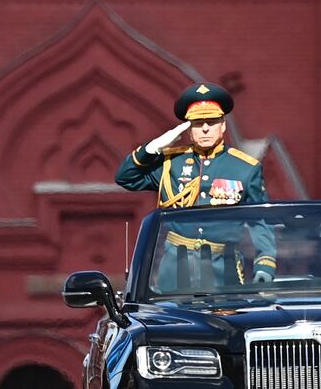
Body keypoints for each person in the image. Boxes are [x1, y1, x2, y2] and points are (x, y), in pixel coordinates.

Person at [116, 82, 277, 288]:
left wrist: (264, 264)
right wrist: (152, 148)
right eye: (198, 123)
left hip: (222, 265)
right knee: (171, 317)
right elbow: (126, 178)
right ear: (189, 130)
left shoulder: (245, 168)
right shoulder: (170, 163)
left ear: (223, 125)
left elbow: (260, 220)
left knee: (223, 318)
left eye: (212, 121)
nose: (206, 129)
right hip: (176, 265)